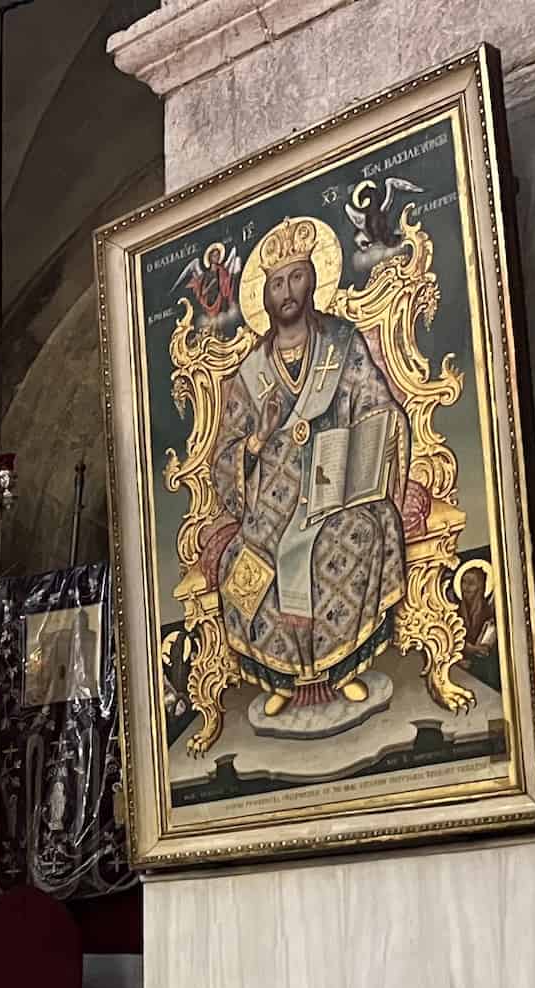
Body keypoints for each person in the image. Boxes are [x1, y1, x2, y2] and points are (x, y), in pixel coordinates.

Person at [199, 216, 411, 719]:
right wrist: (254, 441)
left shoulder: (341, 342)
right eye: (276, 283)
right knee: (242, 564)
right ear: (265, 297)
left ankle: (340, 670)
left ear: (312, 280)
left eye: (296, 277)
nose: (287, 291)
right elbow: (225, 454)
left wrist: (368, 439)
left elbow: (375, 402)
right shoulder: (251, 373)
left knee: (358, 535)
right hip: (270, 506)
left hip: (333, 494)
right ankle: (284, 676)